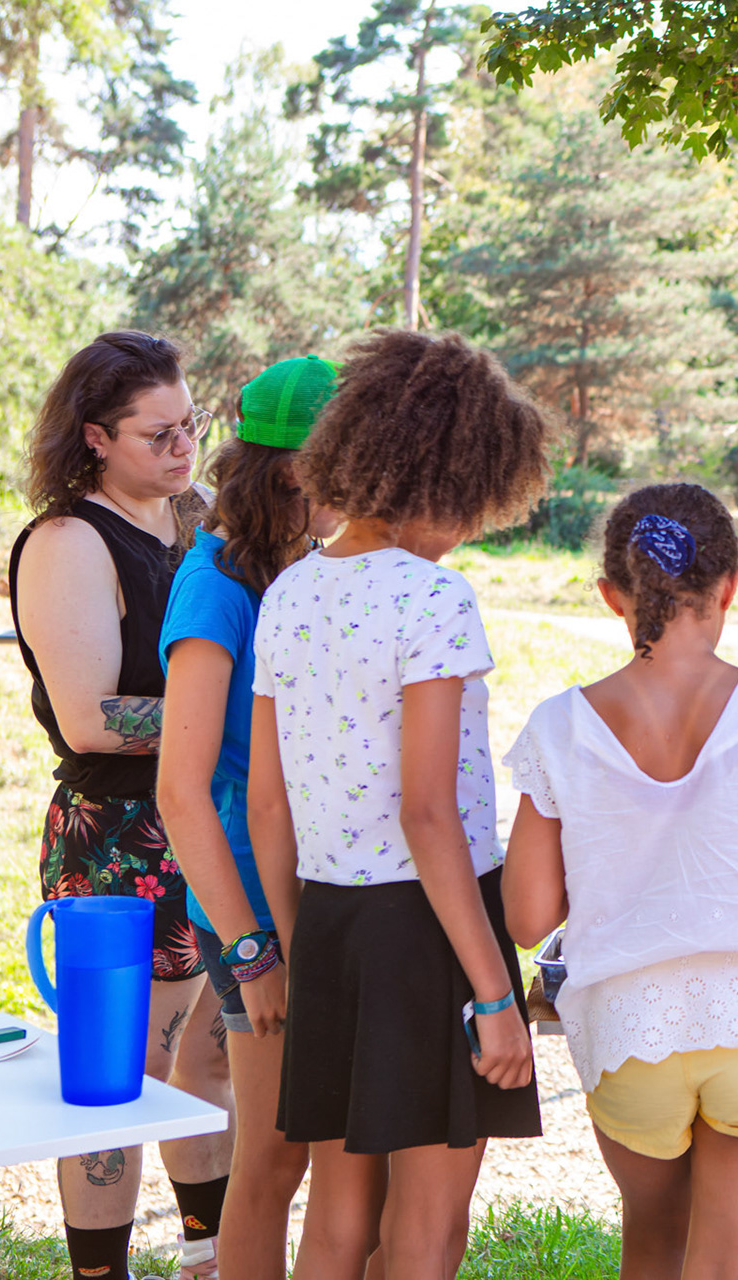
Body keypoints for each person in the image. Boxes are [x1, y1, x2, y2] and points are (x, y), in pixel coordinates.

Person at [501, 483, 738, 1280]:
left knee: (653, 1250)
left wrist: (614, 870)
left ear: (610, 595)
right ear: (731, 587)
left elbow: (529, 916)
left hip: (628, 1030)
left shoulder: (560, 727)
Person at [247, 330, 546, 1280]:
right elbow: (429, 814)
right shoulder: (435, 598)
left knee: (335, 1219)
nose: (467, 532)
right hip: (433, 930)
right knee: (429, 1226)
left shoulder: (289, 592)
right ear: (448, 478)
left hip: (329, 920)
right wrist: (495, 992)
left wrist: (302, 949)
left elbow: (265, 805)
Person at [9, 331, 232, 1280]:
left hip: (219, 823)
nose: (183, 449)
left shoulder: (203, 523)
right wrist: (230, 716)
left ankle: (210, 1252)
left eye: (192, 425)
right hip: (121, 843)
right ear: (96, 437)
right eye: (158, 434)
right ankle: (102, 1273)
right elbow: (91, 717)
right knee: (120, 1080)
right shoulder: (69, 541)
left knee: (219, 1054)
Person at [156, 356, 342, 1280]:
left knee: (312, 1151)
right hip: (249, 916)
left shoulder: (294, 570)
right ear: (297, 472)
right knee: (272, 1159)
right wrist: (250, 951)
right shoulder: (215, 587)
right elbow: (180, 789)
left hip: (309, 895)